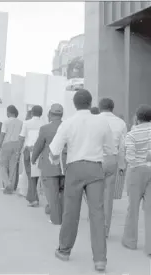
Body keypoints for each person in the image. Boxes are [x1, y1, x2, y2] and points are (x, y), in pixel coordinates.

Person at [49, 88, 114, 272]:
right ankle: (100, 260)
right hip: (95, 168)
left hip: (74, 169)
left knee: (71, 212)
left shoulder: (68, 123)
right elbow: (110, 149)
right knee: (97, 214)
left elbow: (54, 150)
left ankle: (64, 251)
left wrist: (54, 160)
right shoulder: (102, 122)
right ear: (91, 102)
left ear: (74, 104)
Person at [122, 104, 151, 256]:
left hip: (136, 171)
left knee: (133, 207)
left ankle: (130, 241)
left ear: (137, 118)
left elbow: (130, 157)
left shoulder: (132, 134)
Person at [31, 104, 66, 225]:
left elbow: (38, 146)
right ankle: (61, 214)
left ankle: (56, 219)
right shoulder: (68, 126)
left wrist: (33, 158)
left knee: (52, 194)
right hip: (65, 166)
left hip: (49, 165)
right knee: (62, 192)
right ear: (61, 115)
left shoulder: (45, 128)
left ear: (50, 114)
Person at [97, 98, 127, 237]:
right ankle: (105, 230)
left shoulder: (94, 120)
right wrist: (122, 165)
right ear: (112, 108)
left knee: (94, 194)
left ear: (99, 107)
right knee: (108, 197)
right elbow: (122, 147)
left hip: (95, 160)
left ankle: (95, 225)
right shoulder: (121, 123)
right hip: (112, 160)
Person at [19, 105, 45, 207]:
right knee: (36, 174)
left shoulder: (26, 123)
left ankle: (33, 198)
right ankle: (33, 197)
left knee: (30, 174)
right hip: (40, 151)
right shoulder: (44, 124)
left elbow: (21, 137)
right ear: (41, 113)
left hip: (28, 151)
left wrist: (18, 150)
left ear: (32, 113)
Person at [0, 105, 22, 193]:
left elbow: (2, 135)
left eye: (7, 112)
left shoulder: (6, 122)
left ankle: (7, 184)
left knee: (3, 165)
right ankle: (11, 187)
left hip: (7, 145)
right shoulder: (20, 122)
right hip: (17, 145)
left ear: (10, 112)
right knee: (13, 167)